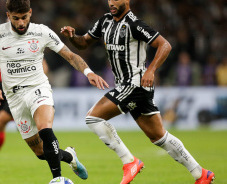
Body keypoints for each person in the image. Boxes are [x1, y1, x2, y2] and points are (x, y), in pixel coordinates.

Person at [60, 0, 215, 183]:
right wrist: (72, 37)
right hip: (128, 87)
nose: (111, 2)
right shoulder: (105, 21)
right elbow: (84, 43)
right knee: (159, 137)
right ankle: (201, 174)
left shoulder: (134, 24)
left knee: (93, 118)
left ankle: (129, 162)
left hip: (135, 85)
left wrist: (151, 70)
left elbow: (165, 45)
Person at [0, 0, 108, 181]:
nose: (21, 23)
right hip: (14, 97)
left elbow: (69, 55)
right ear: (8, 16)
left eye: (24, 17)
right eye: (16, 19)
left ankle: (58, 179)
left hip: (38, 88)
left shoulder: (41, 31)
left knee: (45, 129)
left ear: (30, 12)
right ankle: (70, 156)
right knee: (41, 152)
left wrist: (88, 72)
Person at [0, 56, 49, 169]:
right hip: (1, 87)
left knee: (0, 122)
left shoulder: (26, 44)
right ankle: (21, 118)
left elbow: (44, 66)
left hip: (18, 89)